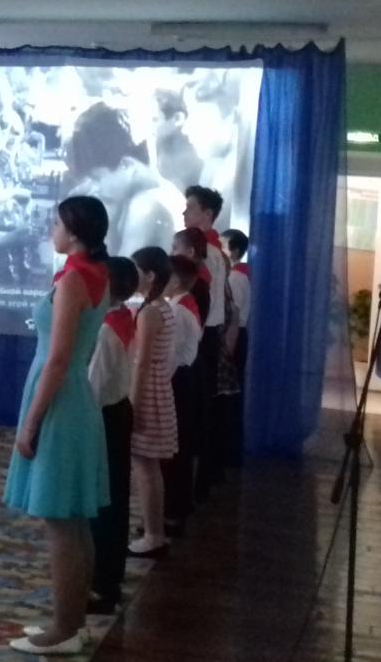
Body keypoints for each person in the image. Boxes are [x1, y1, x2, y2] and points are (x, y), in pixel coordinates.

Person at [4, 196, 111, 655]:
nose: (52, 230)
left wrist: (31, 422)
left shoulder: (74, 279)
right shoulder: (95, 273)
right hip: (72, 398)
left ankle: (64, 630)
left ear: (75, 231)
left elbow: (59, 357)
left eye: (57, 224)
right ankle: (72, 621)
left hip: (61, 402)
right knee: (73, 521)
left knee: (61, 524)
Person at [86, 257, 140, 615]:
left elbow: (93, 387)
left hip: (105, 416)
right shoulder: (123, 318)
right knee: (114, 497)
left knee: (103, 502)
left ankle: (101, 584)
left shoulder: (106, 331)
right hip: (118, 411)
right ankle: (110, 575)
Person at [64, 101, 182, 256]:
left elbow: (122, 270)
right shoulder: (165, 192)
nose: (93, 188)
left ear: (127, 165)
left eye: (96, 178)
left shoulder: (147, 207)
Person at [126, 247, 177, 560]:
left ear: (150, 275)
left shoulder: (150, 313)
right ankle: (153, 529)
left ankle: (154, 534)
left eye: (136, 270)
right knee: (148, 465)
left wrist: (132, 404)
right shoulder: (161, 307)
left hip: (148, 390)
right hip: (157, 386)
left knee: (145, 465)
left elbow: (142, 362)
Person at [183, 186, 231, 501]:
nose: (184, 213)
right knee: (202, 409)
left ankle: (191, 486)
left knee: (194, 412)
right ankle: (198, 482)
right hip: (206, 336)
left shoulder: (206, 255)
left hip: (200, 337)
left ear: (207, 214)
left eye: (190, 208)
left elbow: (200, 301)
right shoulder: (216, 253)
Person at [162, 254, 203, 533]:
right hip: (184, 378)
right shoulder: (184, 304)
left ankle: (172, 514)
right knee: (179, 448)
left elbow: (171, 356)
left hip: (177, 380)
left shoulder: (177, 311)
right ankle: (175, 509)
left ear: (175, 281)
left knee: (174, 451)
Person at [222, 228, 252, 468]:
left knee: (231, 393)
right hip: (237, 335)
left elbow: (234, 315)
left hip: (234, 336)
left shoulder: (235, 278)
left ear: (234, 251)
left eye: (223, 245)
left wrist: (227, 348)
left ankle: (229, 450)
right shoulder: (239, 275)